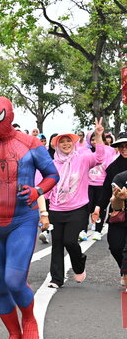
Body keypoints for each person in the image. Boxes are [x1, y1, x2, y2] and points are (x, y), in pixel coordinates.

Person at [0, 97, 59, 339]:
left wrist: (37, 190)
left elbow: (53, 174)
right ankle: (13, 335)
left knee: (14, 280)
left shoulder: (31, 144)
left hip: (23, 220)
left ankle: (29, 318)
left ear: (8, 115)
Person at [46, 121, 107, 288]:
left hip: (78, 208)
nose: (66, 144)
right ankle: (56, 279)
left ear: (73, 143)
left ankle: (79, 265)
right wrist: (42, 211)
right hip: (56, 208)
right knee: (57, 244)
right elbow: (46, 186)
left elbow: (99, 158)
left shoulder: (82, 158)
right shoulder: (52, 164)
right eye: (62, 142)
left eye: (68, 141)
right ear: (56, 145)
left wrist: (99, 135)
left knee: (70, 241)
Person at [99, 132, 127, 285]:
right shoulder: (112, 168)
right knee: (115, 246)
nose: (124, 149)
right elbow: (105, 191)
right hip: (118, 213)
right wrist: (98, 208)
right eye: (121, 146)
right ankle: (124, 270)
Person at [80, 130, 117, 241]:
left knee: (100, 208)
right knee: (87, 207)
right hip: (88, 184)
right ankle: (83, 230)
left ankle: (97, 231)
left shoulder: (109, 151)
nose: (95, 142)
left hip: (102, 184)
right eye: (92, 140)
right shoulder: (85, 151)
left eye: (97, 139)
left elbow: (111, 166)